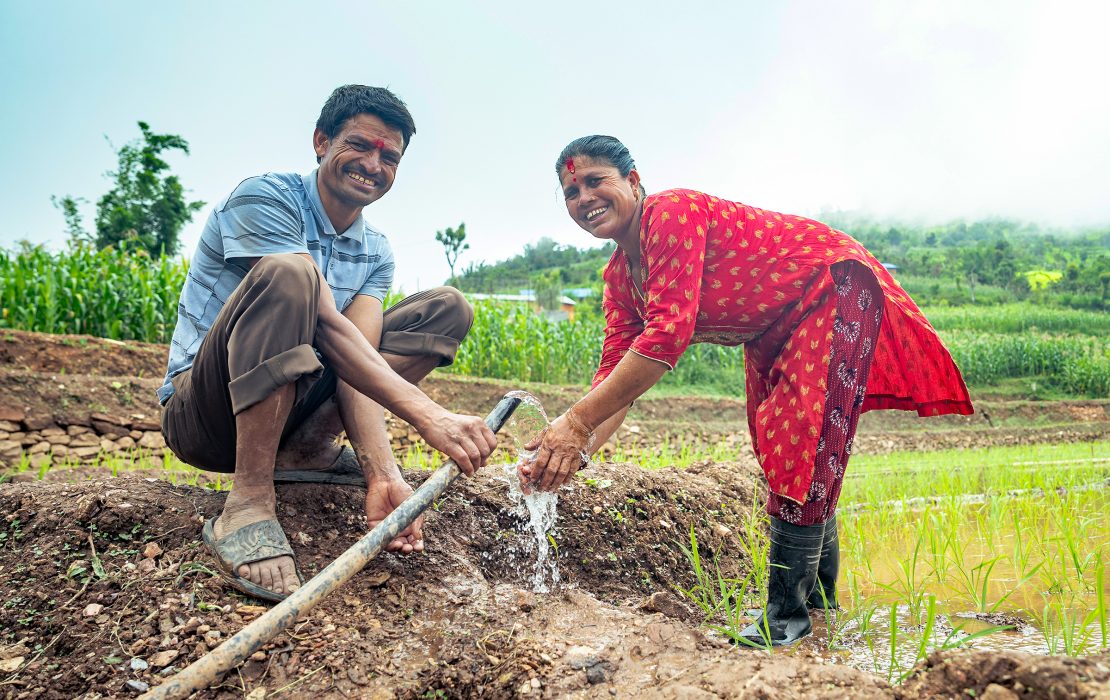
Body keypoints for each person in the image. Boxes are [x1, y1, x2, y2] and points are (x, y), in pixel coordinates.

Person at [522, 135, 972, 648]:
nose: (583, 198)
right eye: (570, 192)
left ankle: (787, 619)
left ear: (633, 181)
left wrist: (575, 425)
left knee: (804, 439)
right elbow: (615, 380)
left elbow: (666, 336)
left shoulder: (669, 214)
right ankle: (820, 606)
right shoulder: (621, 276)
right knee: (779, 446)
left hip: (829, 286)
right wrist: (571, 452)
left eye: (594, 181)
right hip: (771, 326)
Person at [158, 85, 497, 602]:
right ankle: (247, 502)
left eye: (389, 156)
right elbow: (323, 323)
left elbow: (357, 355)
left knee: (446, 309)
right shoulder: (264, 197)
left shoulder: (376, 251)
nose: (372, 163)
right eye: (359, 145)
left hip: (290, 408)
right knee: (293, 275)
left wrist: (381, 475)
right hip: (205, 413)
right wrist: (430, 416)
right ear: (321, 141)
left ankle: (307, 449)